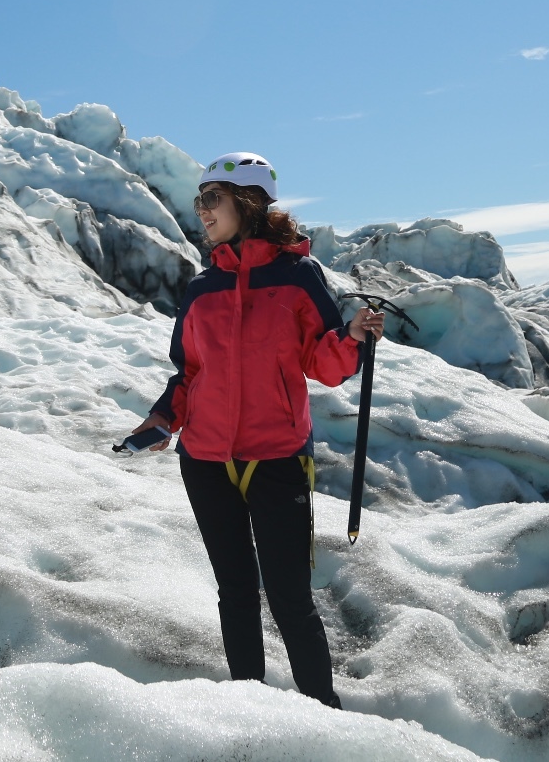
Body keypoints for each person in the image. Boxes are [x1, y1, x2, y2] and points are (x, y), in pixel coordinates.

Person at [120, 152, 384, 708]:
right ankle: (250, 716)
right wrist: (162, 419)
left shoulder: (297, 277)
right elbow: (189, 374)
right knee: (236, 595)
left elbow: (324, 364)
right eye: (199, 201)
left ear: (247, 201)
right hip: (206, 460)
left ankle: (326, 721)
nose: (202, 210)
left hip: (277, 458)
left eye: (211, 198)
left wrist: (353, 338)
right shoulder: (202, 288)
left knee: (290, 599)